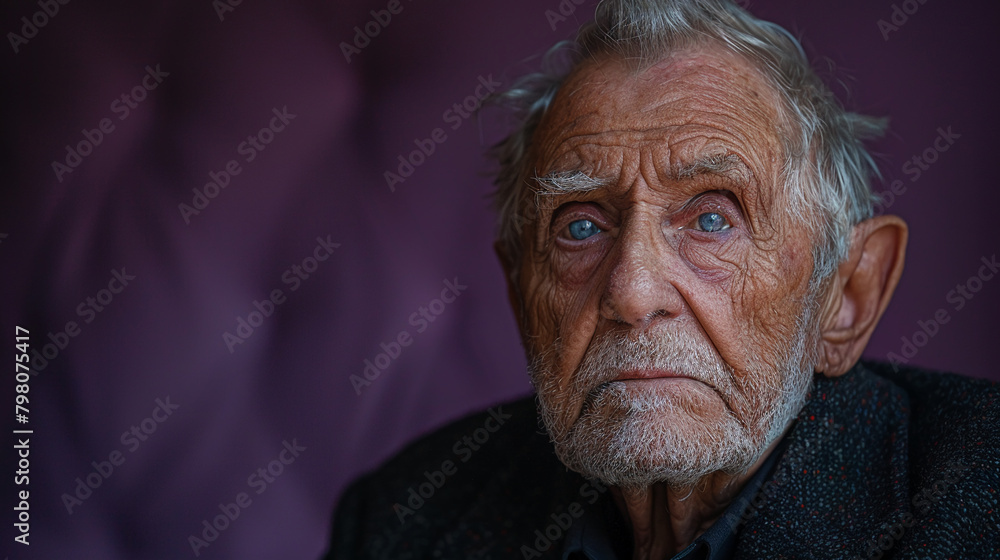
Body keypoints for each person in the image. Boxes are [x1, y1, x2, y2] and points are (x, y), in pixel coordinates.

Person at [323, 1, 999, 558]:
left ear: (849, 295)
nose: (632, 293)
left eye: (711, 218)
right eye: (580, 227)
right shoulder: (398, 524)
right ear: (520, 293)